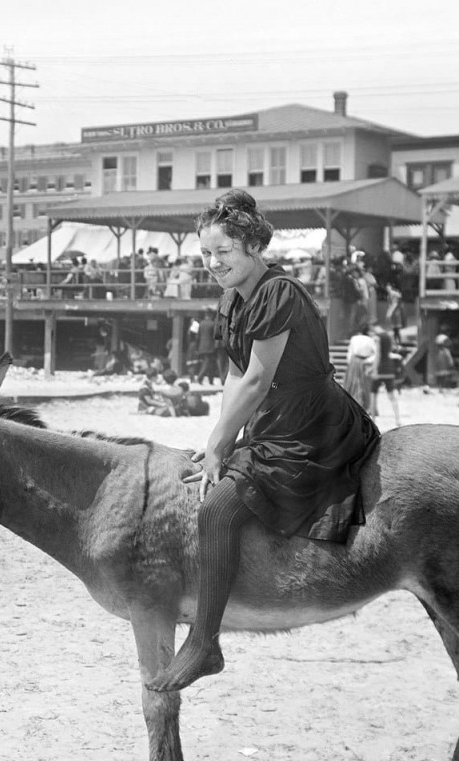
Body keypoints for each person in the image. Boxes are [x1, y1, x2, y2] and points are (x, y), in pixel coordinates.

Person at [148, 189, 379, 691]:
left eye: (223, 253)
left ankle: (205, 642)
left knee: (216, 509)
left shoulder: (278, 293)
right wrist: (221, 439)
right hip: (272, 421)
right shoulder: (232, 299)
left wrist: (218, 445)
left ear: (254, 246)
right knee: (208, 479)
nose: (212, 263)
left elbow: (257, 379)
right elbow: (235, 376)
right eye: (205, 254)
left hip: (311, 424)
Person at [370, 321, 402, 426]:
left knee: (373, 394)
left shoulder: (377, 338)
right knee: (392, 395)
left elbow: (378, 354)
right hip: (389, 367)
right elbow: (389, 351)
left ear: (374, 327)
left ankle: (373, 420)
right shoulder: (389, 336)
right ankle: (397, 419)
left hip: (380, 368)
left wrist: (373, 368)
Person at [342, 323, 377, 415]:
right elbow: (375, 354)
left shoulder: (354, 338)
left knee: (352, 384)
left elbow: (350, 352)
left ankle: (351, 405)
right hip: (364, 362)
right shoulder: (371, 340)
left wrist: (350, 363)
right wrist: (369, 361)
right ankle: (365, 406)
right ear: (368, 332)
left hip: (354, 361)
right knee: (364, 384)